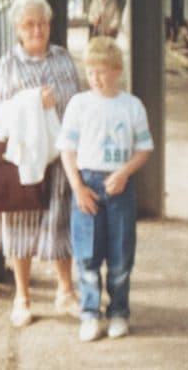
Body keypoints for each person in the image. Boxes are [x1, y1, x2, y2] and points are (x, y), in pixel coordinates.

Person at [0, 0, 81, 327]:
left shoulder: (63, 59)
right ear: (18, 28)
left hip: (62, 158)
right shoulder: (6, 67)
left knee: (63, 222)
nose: (37, 30)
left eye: (42, 23)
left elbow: (79, 104)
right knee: (20, 225)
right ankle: (22, 296)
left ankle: (66, 290)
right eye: (30, 24)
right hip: (24, 161)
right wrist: (31, 103)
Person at [57, 37, 154, 341]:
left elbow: (144, 148)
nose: (96, 78)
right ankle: (89, 313)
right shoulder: (79, 105)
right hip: (87, 183)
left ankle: (119, 312)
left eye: (102, 71)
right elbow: (67, 150)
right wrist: (78, 187)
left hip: (119, 186)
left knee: (121, 254)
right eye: (90, 71)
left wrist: (125, 172)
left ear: (116, 70)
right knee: (87, 254)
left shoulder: (131, 106)